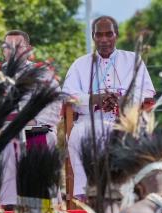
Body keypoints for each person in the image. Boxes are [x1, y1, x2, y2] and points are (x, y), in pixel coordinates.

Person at [62, 15, 155, 199]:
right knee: (78, 136)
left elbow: (147, 93)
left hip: (124, 124)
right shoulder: (80, 64)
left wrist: (123, 100)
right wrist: (95, 99)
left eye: (109, 34)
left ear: (116, 35)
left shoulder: (132, 60)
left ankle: (127, 195)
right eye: (99, 35)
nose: (104, 39)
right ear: (93, 37)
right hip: (89, 123)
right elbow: (67, 95)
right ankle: (84, 197)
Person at [0, 30, 62, 207]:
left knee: (44, 139)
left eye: (18, 47)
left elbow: (53, 102)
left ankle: (41, 201)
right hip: (3, 128)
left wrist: (32, 121)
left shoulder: (42, 74)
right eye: (8, 47)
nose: (12, 51)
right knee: (3, 145)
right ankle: (8, 204)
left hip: (34, 126)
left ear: (29, 50)